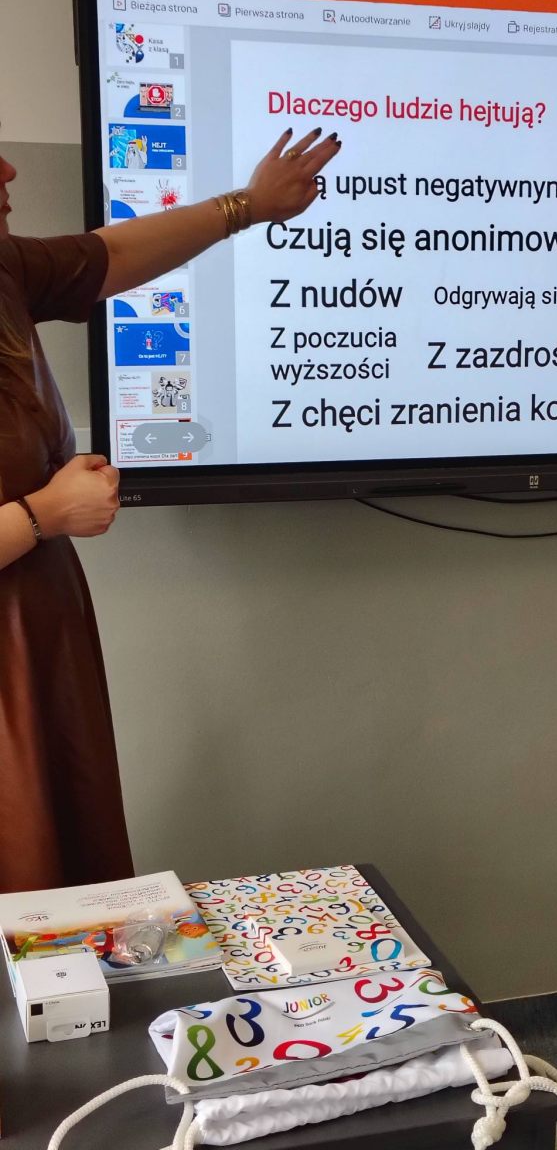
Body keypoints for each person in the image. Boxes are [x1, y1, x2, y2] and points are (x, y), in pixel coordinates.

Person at [0, 126, 340, 893]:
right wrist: (44, 514)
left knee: (65, 897)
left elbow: (110, 255)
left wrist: (248, 206)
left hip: (40, 641)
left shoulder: (4, 268)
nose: (9, 168)